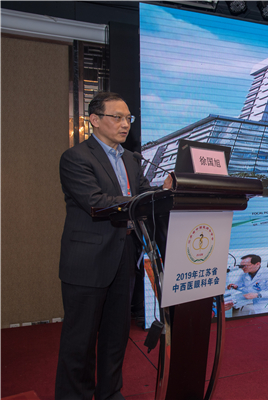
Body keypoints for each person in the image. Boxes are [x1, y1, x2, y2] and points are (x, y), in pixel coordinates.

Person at [55, 92, 172, 400]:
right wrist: (144, 198)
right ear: (95, 120)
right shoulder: (76, 157)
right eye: (117, 117)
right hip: (88, 260)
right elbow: (97, 202)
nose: (125, 124)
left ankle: (110, 393)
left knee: (116, 336)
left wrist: (164, 191)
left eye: (128, 118)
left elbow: (144, 194)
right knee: (80, 341)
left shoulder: (131, 158)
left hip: (124, 256)